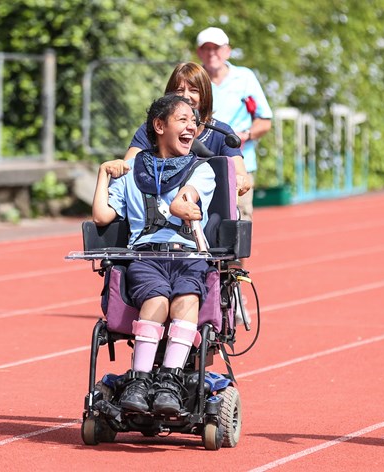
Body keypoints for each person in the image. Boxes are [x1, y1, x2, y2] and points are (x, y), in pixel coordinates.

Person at [93, 94, 217, 415]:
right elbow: (102, 217)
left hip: (187, 256)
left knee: (185, 299)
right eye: (182, 120)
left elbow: (189, 196)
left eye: (193, 122)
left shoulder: (201, 170)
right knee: (157, 300)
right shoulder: (132, 172)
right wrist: (103, 174)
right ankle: (140, 381)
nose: (191, 127)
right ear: (160, 126)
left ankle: (170, 381)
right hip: (145, 256)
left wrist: (182, 204)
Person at [104, 62, 250, 195]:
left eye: (193, 90)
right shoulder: (153, 127)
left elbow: (242, 176)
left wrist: (240, 180)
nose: (185, 96)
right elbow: (129, 167)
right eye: (179, 90)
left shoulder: (221, 132)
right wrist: (116, 167)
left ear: (205, 95)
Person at [196, 26, 273, 222]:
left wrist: (245, 135)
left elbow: (265, 120)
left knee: (239, 220)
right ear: (199, 52)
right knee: (200, 220)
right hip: (200, 163)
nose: (212, 53)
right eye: (206, 48)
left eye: (216, 48)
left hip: (239, 163)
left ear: (227, 51)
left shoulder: (245, 78)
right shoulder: (195, 79)